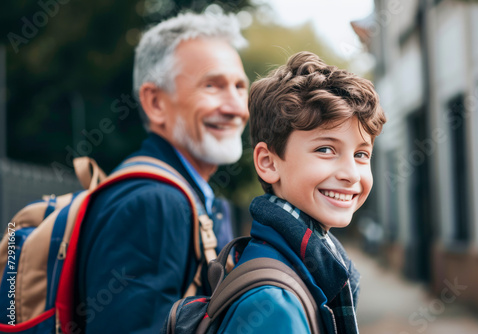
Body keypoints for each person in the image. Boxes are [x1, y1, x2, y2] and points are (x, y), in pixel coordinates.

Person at [74, 12, 249, 333]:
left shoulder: (175, 194)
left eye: (240, 87)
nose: (237, 107)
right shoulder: (155, 204)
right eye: (212, 85)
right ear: (155, 102)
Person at [216, 51, 387, 333]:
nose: (350, 174)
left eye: (360, 154)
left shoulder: (307, 270)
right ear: (268, 163)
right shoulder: (273, 305)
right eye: (325, 149)